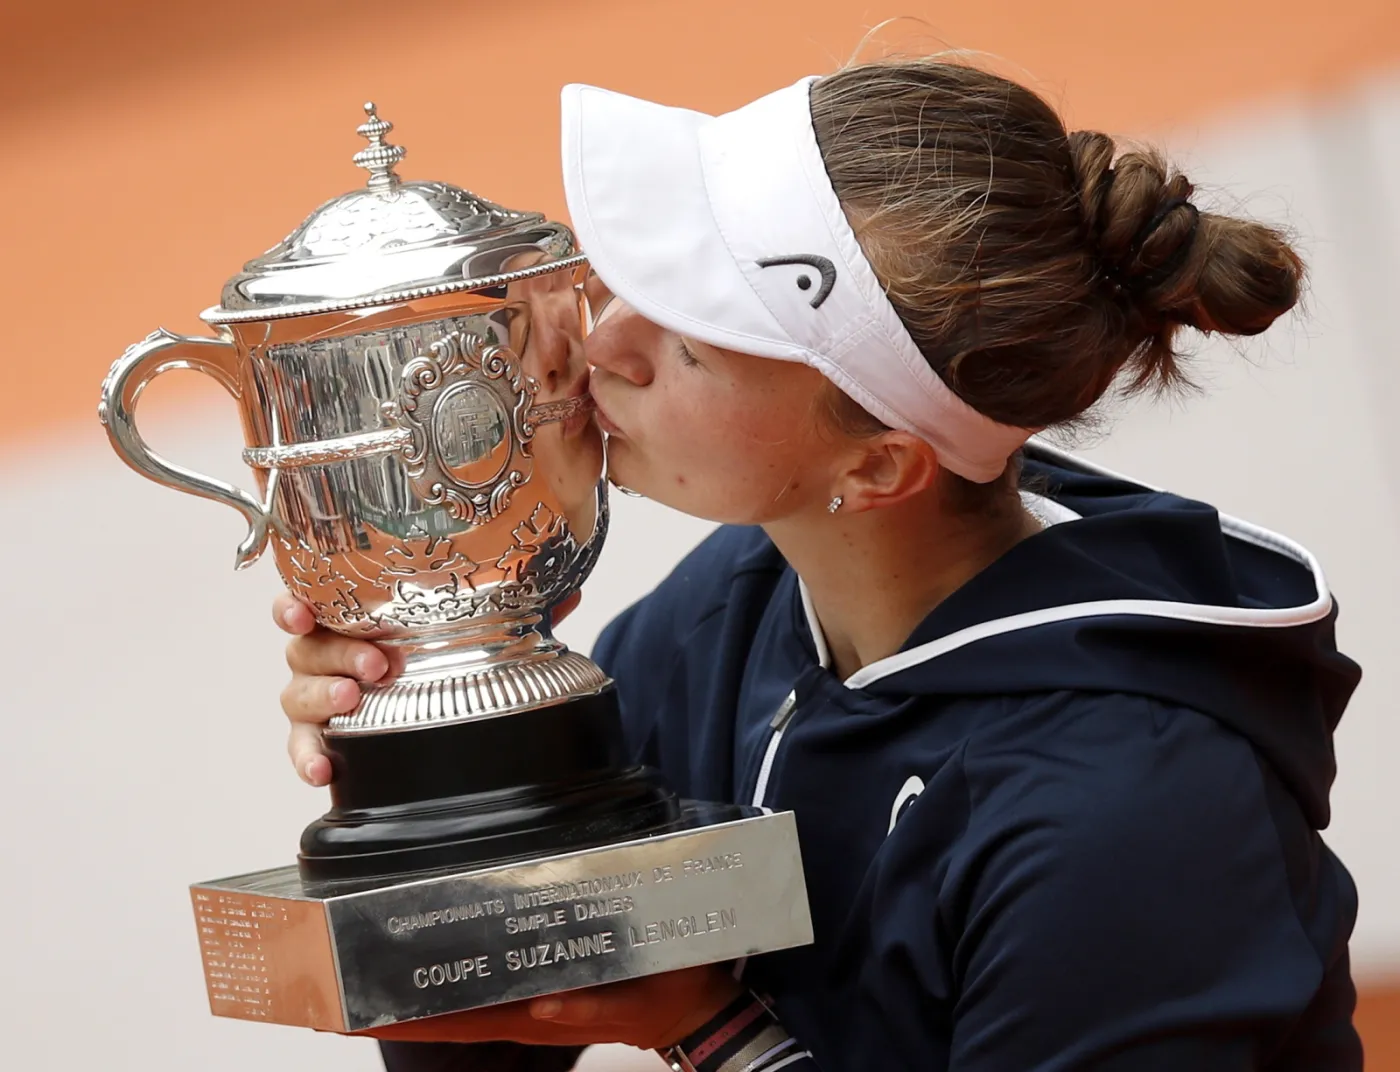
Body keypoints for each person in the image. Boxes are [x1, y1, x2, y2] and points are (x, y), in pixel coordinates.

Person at [274, 58, 1363, 1071]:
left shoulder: (1125, 810)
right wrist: (426, 737)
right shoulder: (720, 624)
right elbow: (485, 1039)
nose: (606, 344)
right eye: (642, 281)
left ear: (879, 464)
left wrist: (707, 1028)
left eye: (692, 342)